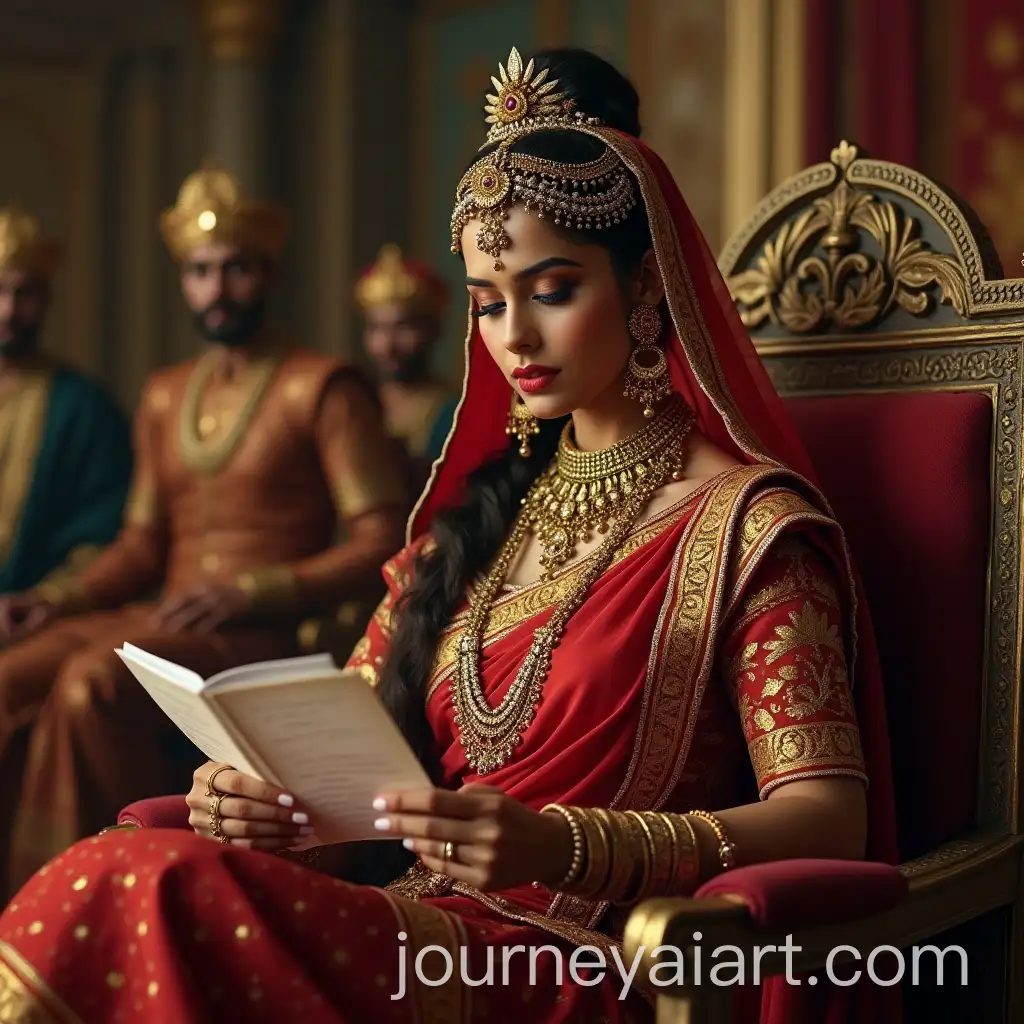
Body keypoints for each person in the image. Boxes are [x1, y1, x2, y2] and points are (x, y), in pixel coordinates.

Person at [0, 50, 898, 1023]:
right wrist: (254, 798)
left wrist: (559, 844)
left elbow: (828, 817)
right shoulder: (478, 524)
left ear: (644, 290)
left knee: (150, 888)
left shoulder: (749, 531)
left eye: (551, 289)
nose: (513, 335)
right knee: (133, 866)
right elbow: (344, 744)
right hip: (416, 930)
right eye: (487, 300)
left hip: (576, 961)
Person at [0, 167, 407, 899]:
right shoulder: (164, 393)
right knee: (11, 670)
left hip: (266, 633)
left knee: (90, 684)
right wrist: (54, 600)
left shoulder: (321, 386)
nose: (217, 289)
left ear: (271, 275)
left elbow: (384, 539)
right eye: (200, 272)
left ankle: (92, 892)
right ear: (183, 282)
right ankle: (15, 898)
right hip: (167, 617)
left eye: (236, 269)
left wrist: (258, 589)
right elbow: (139, 548)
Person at [0, 205, 131, 619]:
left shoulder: (82, 408)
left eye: (24, 293)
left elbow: (106, 536)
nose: (8, 311)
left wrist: (47, 599)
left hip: (34, 619)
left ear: (46, 298)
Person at [355, 244, 457, 479]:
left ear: (434, 330)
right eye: (376, 329)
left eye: (403, 328)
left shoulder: (453, 414)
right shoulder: (356, 402)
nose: (387, 345)